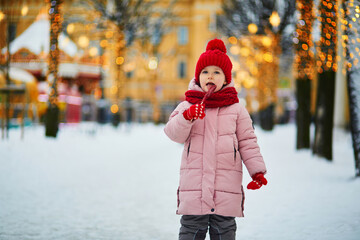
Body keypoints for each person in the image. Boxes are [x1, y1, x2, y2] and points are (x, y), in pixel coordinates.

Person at [164, 39, 267, 240]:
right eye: (205, 72)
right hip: (194, 190)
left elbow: (248, 142)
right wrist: (187, 118)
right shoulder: (187, 106)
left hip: (225, 191)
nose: (210, 75)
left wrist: (257, 171)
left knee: (224, 233)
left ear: (226, 79)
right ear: (198, 77)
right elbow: (172, 133)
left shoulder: (236, 110)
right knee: (190, 233)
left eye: (217, 72)